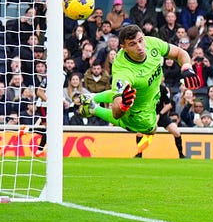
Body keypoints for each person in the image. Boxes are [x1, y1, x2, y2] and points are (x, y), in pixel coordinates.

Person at [73, 23, 199, 158]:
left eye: (140, 41)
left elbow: (180, 53)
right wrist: (123, 106)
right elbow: (116, 112)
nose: (139, 47)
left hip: (153, 97)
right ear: (124, 47)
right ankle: (94, 109)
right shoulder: (123, 72)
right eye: (133, 44)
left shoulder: (152, 44)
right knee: (151, 130)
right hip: (136, 110)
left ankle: (93, 98)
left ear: (144, 37)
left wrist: (186, 67)